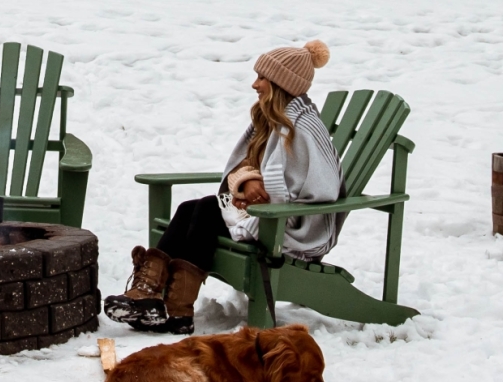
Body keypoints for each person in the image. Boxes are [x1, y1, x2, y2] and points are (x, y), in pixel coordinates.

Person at [105, 40, 344, 334]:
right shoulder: (270, 120)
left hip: (292, 228)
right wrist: (247, 181)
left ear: (281, 83)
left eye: (262, 78)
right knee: (188, 209)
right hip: (264, 213)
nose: (254, 85)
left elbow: (322, 191)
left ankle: (173, 308)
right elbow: (242, 166)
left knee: (206, 210)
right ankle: (148, 296)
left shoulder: (304, 129)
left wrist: (271, 199)